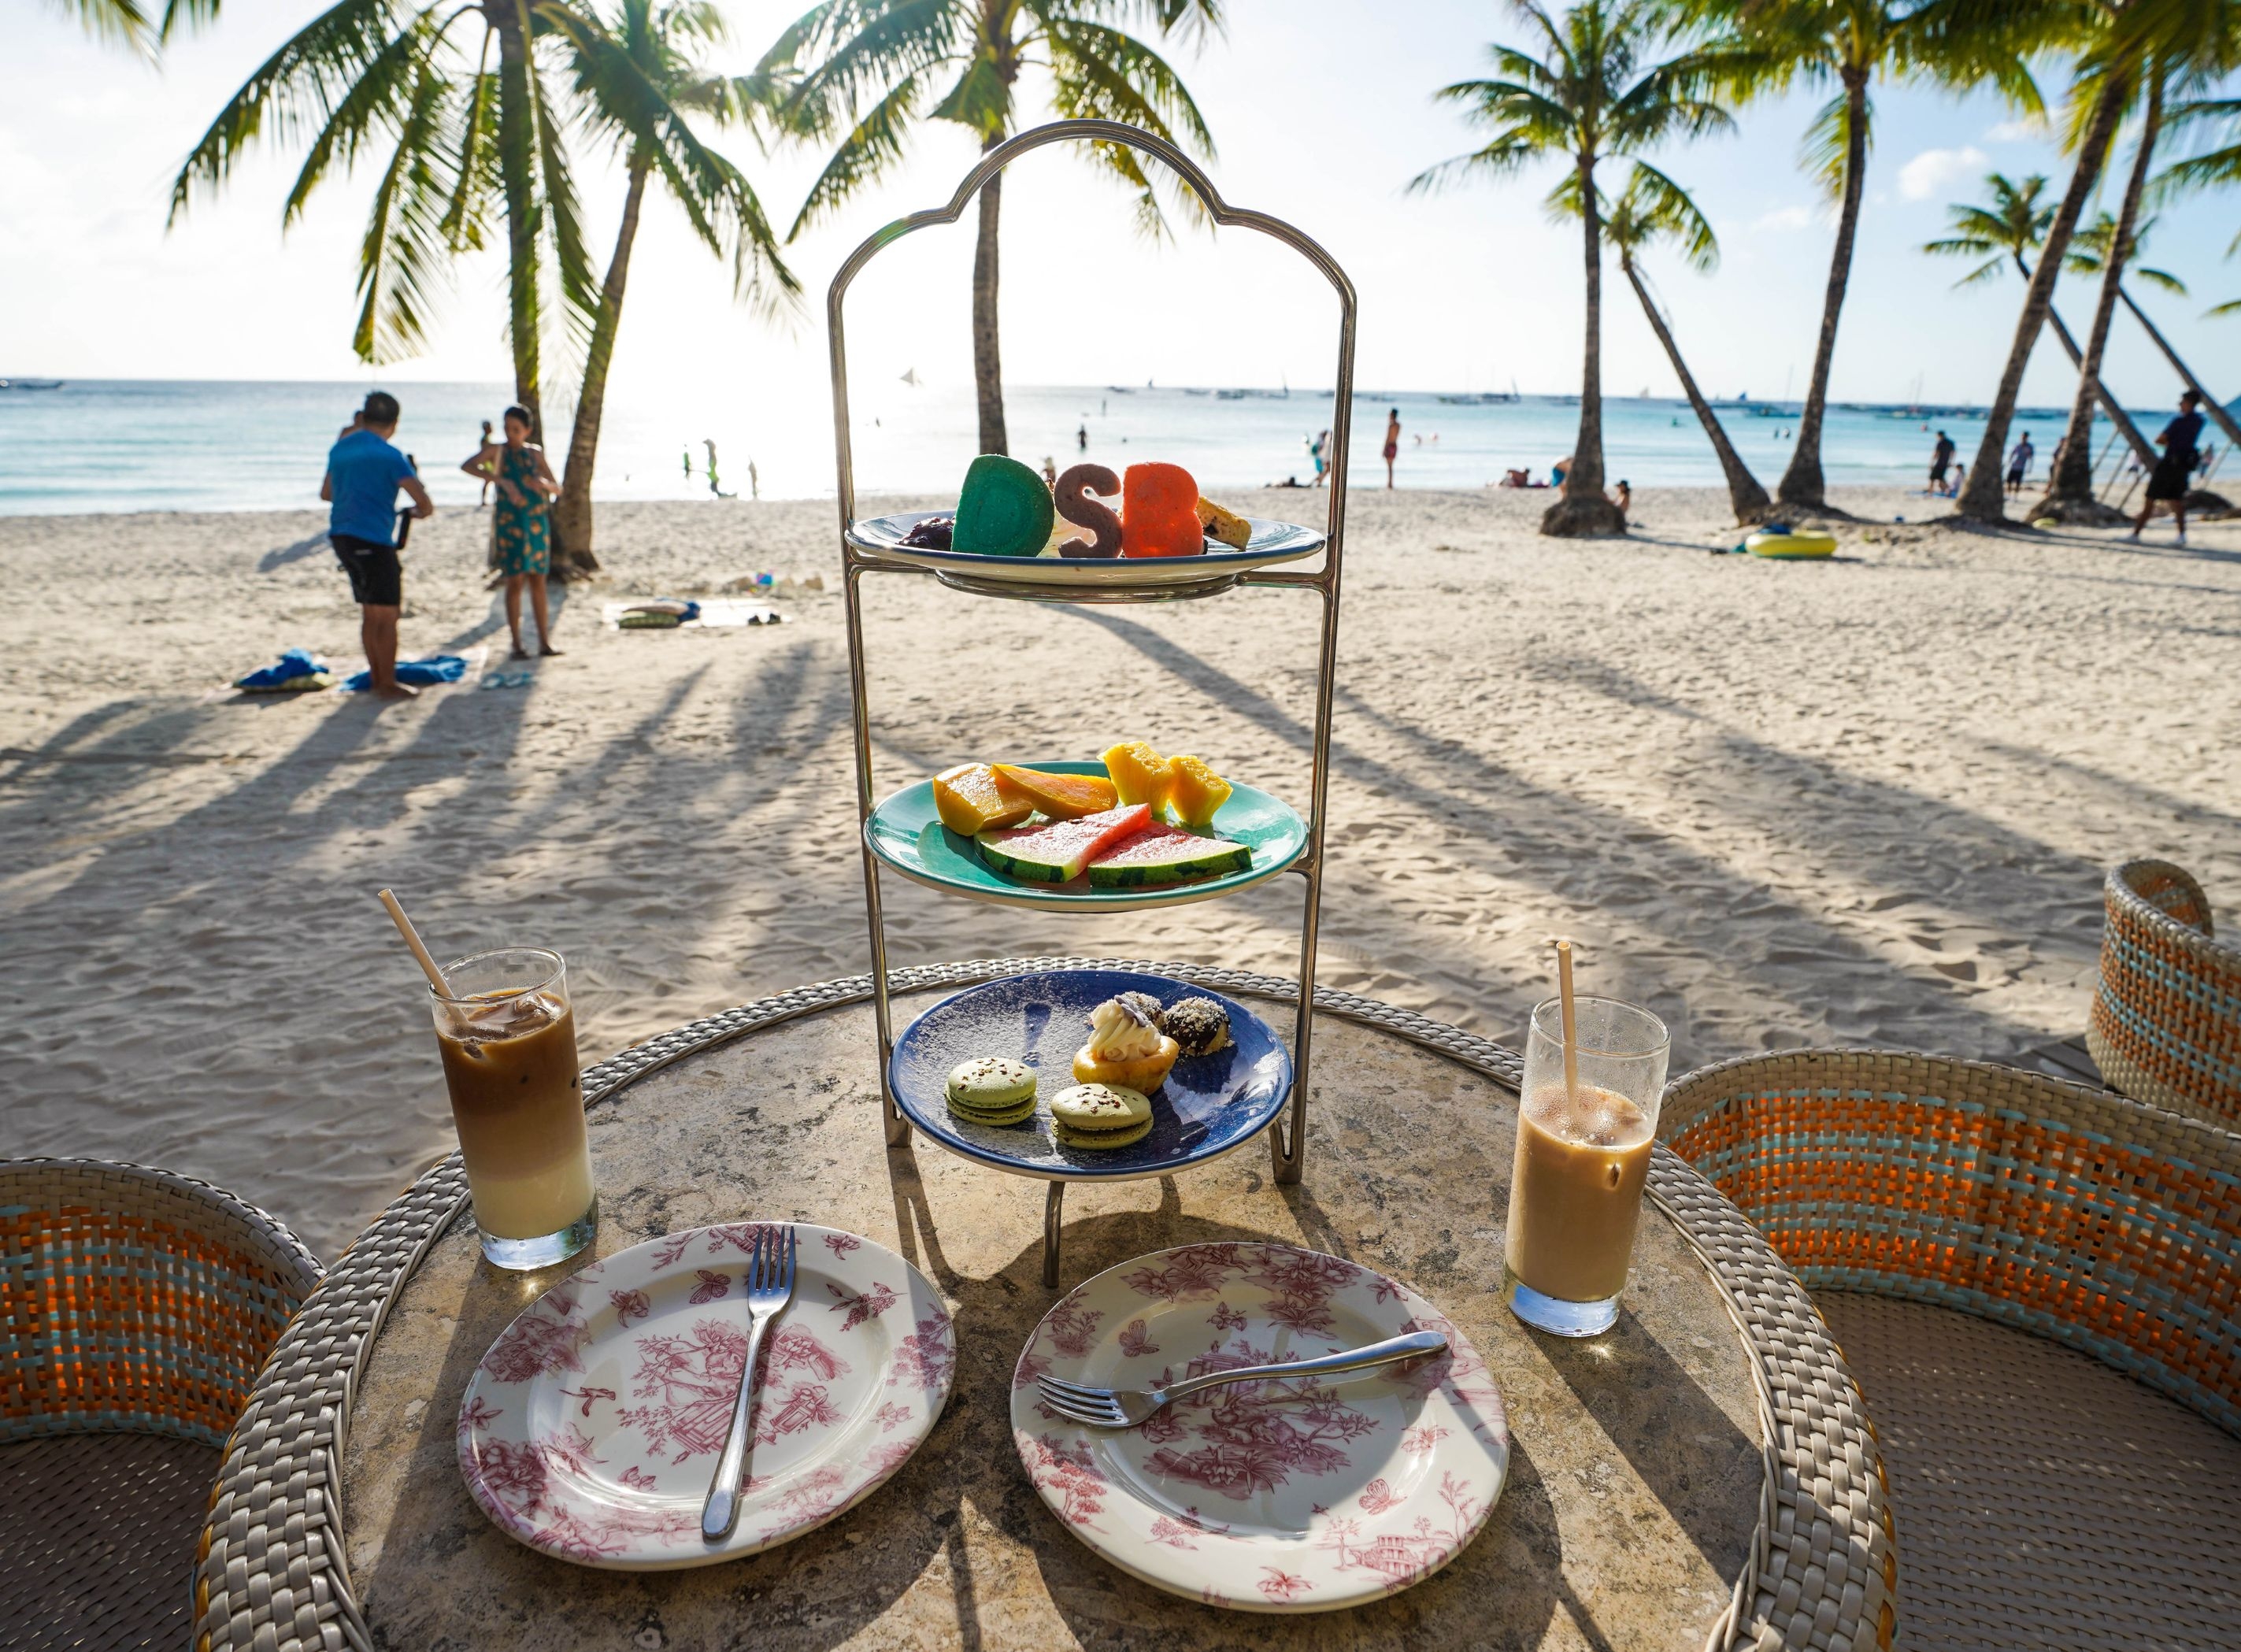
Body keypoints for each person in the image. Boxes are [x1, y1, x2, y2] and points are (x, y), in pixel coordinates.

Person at [322, 391, 433, 701]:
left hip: (342, 537)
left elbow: (327, 493)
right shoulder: (390, 455)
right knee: (388, 615)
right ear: (394, 423)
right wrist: (410, 508)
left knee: (370, 613)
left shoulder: (340, 449)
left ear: (363, 417)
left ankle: (376, 677)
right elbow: (424, 503)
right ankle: (386, 683)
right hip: (373, 538)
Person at [463, 405, 563, 658]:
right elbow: (468, 466)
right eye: (507, 428)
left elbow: (557, 489)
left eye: (516, 429)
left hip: (537, 524)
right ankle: (517, 644)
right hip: (511, 524)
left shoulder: (535, 455)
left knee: (538, 581)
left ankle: (544, 642)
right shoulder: (497, 451)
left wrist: (542, 484)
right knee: (515, 581)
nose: (511, 434)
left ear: (527, 430)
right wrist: (500, 481)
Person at [2133, 390, 2206, 545]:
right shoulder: (2199, 421)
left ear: (2189, 403)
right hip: (2183, 465)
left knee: (2150, 498)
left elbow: (2160, 439)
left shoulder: (2179, 421)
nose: (2180, 405)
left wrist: (2171, 443)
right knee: (2176, 500)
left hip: (2169, 464)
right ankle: (2181, 535)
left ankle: (2136, 533)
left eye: (2182, 402)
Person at [2006, 432, 2034, 497]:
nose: (2023, 438)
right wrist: (2009, 462)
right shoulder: (2017, 445)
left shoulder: (2029, 447)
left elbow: (2031, 457)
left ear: (2027, 437)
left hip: (2021, 467)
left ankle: (2015, 496)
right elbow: (2012, 454)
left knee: (2018, 483)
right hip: (2013, 466)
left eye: (2025, 436)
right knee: (2009, 481)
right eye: (2022, 436)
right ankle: (2009, 495)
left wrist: (2029, 468)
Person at [476, 419, 497, 505]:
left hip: (489, 463)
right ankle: (484, 501)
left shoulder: (486, 438)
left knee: (490, 481)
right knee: (489, 481)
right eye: (490, 427)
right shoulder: (484, 439)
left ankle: (488, 500)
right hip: (488, 464)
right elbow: (485, 451)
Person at [1928, 429, 1955, 494]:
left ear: (1940, 435)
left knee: (1932, 478)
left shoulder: (1940, 443)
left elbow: (1936, 454)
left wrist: (1931, 463)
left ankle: (1930, 493)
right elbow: (1953, 453)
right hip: (1945, 463)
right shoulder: (1951, 442)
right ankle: (1948, 491)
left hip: (1939, 463)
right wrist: (1951, 462)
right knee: (1941, 478)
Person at [1382, 408, 1400, 489]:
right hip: (1395, 445)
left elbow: (1388, 438)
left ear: (1392, 415)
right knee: (1391, 466)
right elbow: (1396, 436)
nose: (1388, 415)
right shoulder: (1398, 425)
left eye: (1389, 414)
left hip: (1389, 446)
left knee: (1389, 466)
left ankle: (1389, 484)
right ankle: (1390, 483)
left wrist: (1384, 449)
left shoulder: (1391, 425)